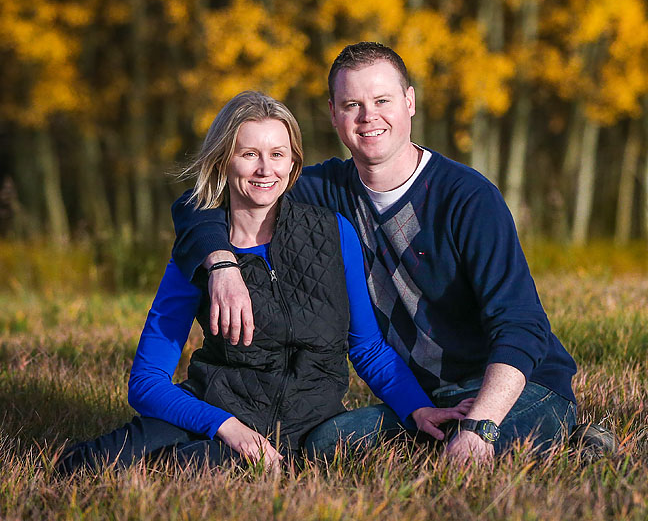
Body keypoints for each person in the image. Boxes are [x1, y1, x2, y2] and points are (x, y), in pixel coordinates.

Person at [171, 42, 613, 463]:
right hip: (423, 402)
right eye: (352, 106)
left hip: (514, 390)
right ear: (333, 114)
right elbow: (206, 199)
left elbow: (522, 325)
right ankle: (475, 445)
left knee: (466, 445)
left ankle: (560, 438)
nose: (369, 118)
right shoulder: (321, 192)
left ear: (410, 103)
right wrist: (223, 264)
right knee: (325, 445)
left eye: (382, 101)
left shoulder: (467, 197)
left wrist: (481, 425)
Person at [57, 91, 469, 473]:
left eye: (277, 154)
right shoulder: (200, 250)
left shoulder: (333, 232)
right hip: (215, 408)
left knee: (182, 471)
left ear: (293, 163)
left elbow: (367, 347)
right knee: (89, 463)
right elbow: (146, 382)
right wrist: (227, 425)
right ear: (224, 161)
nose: (264, 169)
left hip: (305, 426)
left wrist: (417, 408)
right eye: (249, 153)